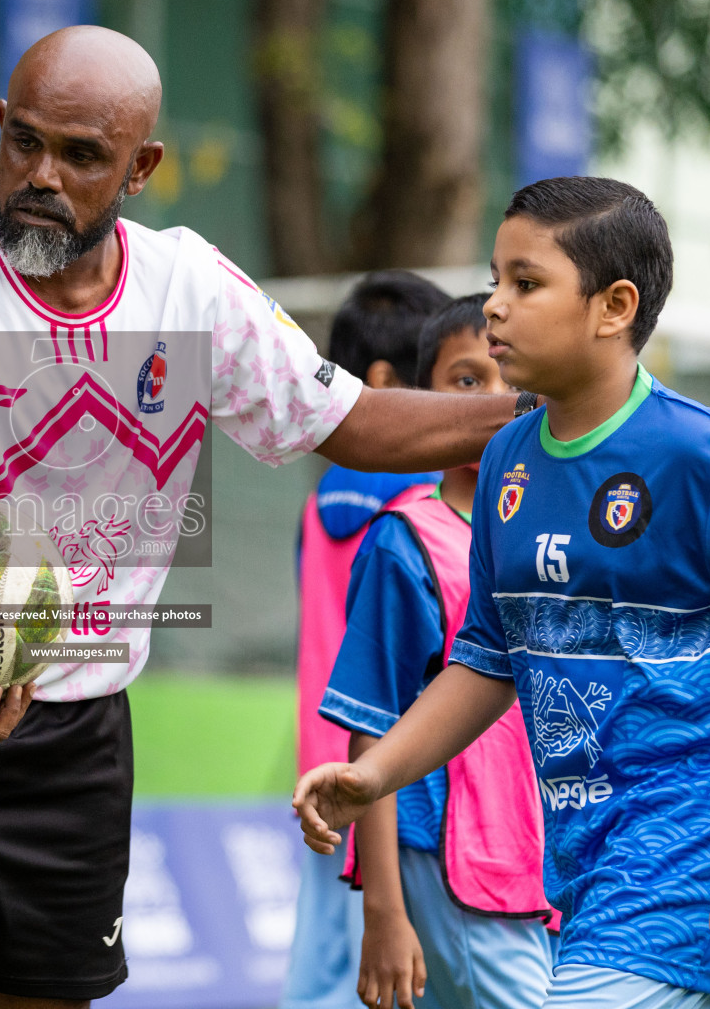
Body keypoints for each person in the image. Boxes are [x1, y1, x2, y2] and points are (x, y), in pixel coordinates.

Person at [0, 26, 525, 1009]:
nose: (41, 175)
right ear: (1, 126)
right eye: (25, 141)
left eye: (81, 155)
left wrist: (543, 413)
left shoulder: (191, 289)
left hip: (71, 731)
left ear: (140, 168)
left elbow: (353, 419)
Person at [295, 177, 710, 1009]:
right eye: (494, 280)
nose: (495, 309)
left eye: (526, 283)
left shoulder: (709, 460)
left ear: (614, 306)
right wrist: (377, 778)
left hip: (694, 859)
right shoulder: (510, 462)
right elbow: (484, 665)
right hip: (584, 870)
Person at [319, 295, 554, 1009]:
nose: (493, 402)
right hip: (444, 857)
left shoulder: (546, 547)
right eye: (465, 381)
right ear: (426, 405)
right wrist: (383, 908)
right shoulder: (406, 543)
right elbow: (372, 728)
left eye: (510, 384)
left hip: (532, 866)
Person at [285, 270, 448, 1009]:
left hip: (318, 774)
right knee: (393, 973)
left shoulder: (318, 507)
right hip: (393, 784)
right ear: (385, 381)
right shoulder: (421, 510)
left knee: (323, 970)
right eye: (451, 379)